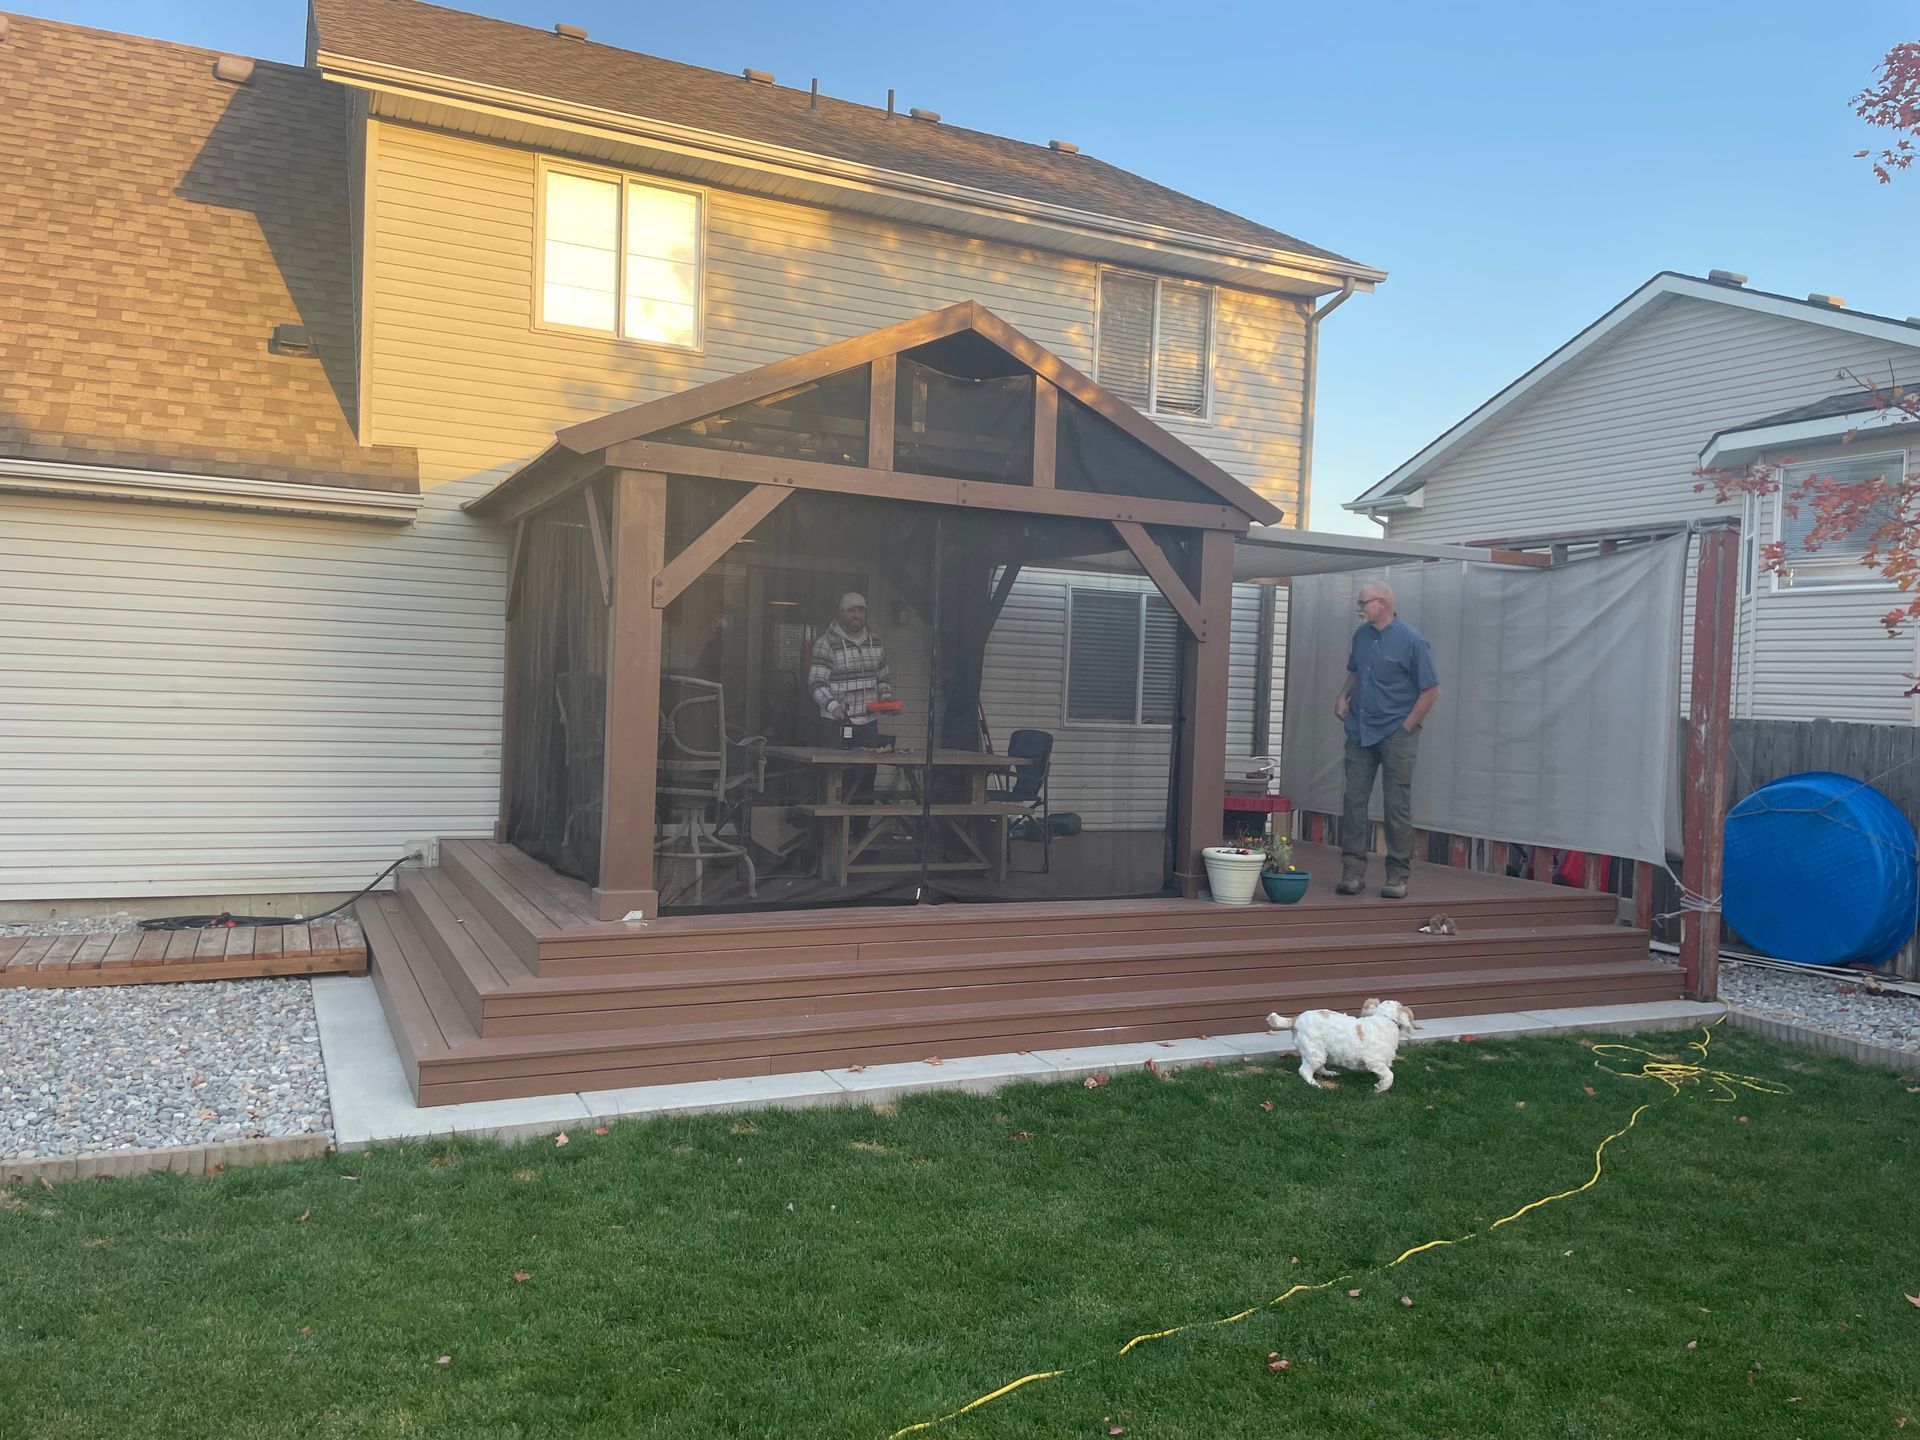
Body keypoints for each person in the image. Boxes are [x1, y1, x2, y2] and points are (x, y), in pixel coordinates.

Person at [1333, 580, 1440, 899]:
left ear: (1382, 603)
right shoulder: (1361, 636)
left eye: (1363, 602)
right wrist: (1342, 695)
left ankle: (1397, 875)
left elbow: (1431, 689)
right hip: (1360, 729)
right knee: (1354, 800)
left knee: (1396, 804)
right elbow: (1356, 671)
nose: (1359, 608)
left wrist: (1407, 725)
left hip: (1395, 732)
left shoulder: (1412, 640)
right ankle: (1352, 871)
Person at [809, 592, 894, 749]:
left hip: (868, 723)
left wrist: (886, 699)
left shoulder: (875, 642)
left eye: (860, 611)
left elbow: (882, 677)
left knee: (867, 765)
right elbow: (816, 683)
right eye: (851, 611)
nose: (856, 615)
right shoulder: (826, 643)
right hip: (835, 723)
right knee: (835, 764)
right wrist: (833, 706)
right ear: (841, 613)